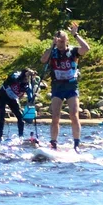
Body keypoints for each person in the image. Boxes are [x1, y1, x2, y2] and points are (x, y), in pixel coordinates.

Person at [39, 22, 91, 150]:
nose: (61, 44)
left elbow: (86, 48)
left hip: (71, 87)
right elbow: (43, 60)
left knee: (74, 114)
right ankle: (53, 142)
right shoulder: (52, 52)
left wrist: (76, 35)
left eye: (63, 41)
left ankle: (76, 143)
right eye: (59, 42)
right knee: (55, 116)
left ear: (67, 40)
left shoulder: (73, 51)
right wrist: (52, 46)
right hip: (57, 87)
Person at [0, 68, 37, 141]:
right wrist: (25, 74)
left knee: (20, 117)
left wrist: (33, 97)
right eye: (25, 78)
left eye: (27, 79)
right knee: (2, 114)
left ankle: (20, 137)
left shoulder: (27, 86)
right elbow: (14, 77)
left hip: (12, 99)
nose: (26, 80)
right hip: (1, 95)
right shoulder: (16, 75)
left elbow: (30, 97)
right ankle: (0, 136)